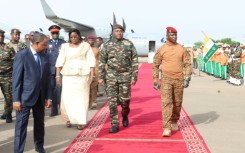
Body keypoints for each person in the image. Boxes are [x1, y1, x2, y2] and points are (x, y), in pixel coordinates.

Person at [12, 32, 52, 153]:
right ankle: (18, 150)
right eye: (44, 45)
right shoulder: (22, 55)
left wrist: (49, 97)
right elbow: (16, 79)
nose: (46, 47)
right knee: (21, 127)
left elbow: (48, 78)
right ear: (36, 43)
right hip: (24, 98)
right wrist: (16, 99)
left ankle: (39, 146)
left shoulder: (45, 56)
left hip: (40, 97)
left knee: (40, 124)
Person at [98, 24, 138, 133]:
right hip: (111, 76)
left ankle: (124, 115)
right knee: (112, 101)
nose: (119, 33)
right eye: (116, 31)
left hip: (125, 76)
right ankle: (115, 124)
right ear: (113, 32)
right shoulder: (107, 45)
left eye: (120, 31)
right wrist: (101, 76)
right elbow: (102, 61)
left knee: (125, 100)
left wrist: (134, 76)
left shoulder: (128, 44)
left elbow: (134, 60)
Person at [152, 26, 192, 137]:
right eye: (172, 35)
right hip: (166, 79)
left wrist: (188, 76)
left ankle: (174, 120)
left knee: (178, 103)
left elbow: (188, 63)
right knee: (166, 103)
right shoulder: (162, 49)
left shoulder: (181, 49)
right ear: (167, 36)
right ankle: (167, 127)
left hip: (179, 79)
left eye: (175, 35)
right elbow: (155, 65)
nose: (174, 37)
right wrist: (155, 79)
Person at [55, 29, 95, 130]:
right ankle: (68, 119)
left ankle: (80, 120)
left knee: (82, 99)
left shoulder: (85, 46)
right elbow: (59, 61)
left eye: (75, 36)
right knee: (67, 98)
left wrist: (92, 76)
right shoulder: (64, 46)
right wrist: (57, 76)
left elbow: (91, 61)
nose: (73, 39)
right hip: (68, 76)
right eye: (71, 37)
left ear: (79, 36)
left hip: (82, 75)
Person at [47, 25, 66, 117]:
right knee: (52, 89)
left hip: (61, 70)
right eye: (53, 33)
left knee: (61, 90)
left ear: (59, 33)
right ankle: (54, 110)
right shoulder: (47, 43)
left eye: (56, 33)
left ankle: (62, 109)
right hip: (50, 70)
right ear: (51, 34)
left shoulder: (63, 43)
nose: (55, 34)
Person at [0, 29, 15, 123]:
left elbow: (15, 62)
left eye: (2, 36)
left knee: (8, 96)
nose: (0, 38)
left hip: (7, 76)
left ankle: (8, 113)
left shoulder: (8, 48)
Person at [87, 35, 100, 109]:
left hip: (95, 71)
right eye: (89, 40)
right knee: (87, 87)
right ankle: (87, 101)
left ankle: (93, 102)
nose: (91, 41)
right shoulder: (84, 49)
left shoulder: (96, 50)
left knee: (94, 87)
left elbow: (99, 60)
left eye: (92, 40)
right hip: (86, 71)